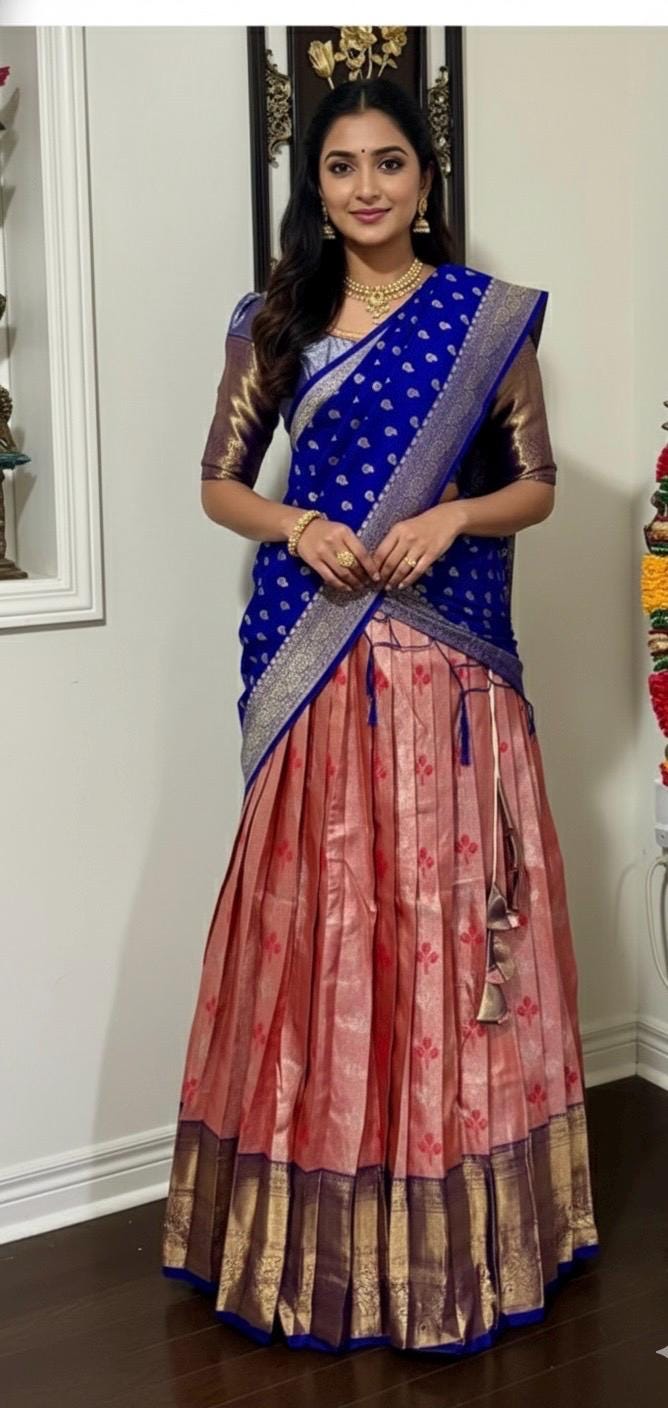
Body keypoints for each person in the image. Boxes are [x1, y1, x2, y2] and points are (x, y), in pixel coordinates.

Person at [161, 75, 599, 1356]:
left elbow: (535, 483)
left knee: (450, 929)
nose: (365, 188)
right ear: (315, 185)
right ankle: (311, 1241)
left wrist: (452, 514)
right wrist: (297, 521)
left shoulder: (483, 319)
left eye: (388, 162)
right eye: (341, 165)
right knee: (323, 924)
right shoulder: (276, 319)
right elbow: (218, 484)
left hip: (448, 670)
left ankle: (464, 1232)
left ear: (424, 176)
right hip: (318, 660)